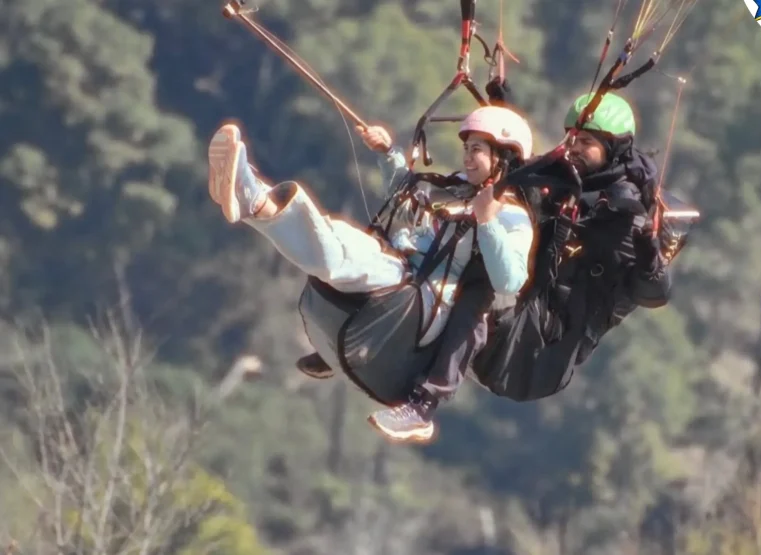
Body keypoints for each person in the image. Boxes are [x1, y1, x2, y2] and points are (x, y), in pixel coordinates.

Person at [206, 106, 536, 442]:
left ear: (504, 158)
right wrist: (386, 152)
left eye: (476, 150)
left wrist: (487, 221)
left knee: (339, 254)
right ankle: (255, 197)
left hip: (423, 304)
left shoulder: (511, 216)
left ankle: (253, 197)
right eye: (466, 149)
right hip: (399, 274)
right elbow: (407, 197)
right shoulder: (455, 187)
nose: (466, 158)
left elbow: (510, 280)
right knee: (337, 238)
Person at [468, 85, 691, 401]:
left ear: (614, 148)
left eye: (586, 142)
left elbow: (656, 294)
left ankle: (424, 395)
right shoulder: (564, 179)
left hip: (539, 348)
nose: (573, 147)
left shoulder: (625, 213)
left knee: (472, 284)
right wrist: (505, 109)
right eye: (570, 138)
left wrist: (647, 250)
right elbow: (524, 171)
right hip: (521, 314)